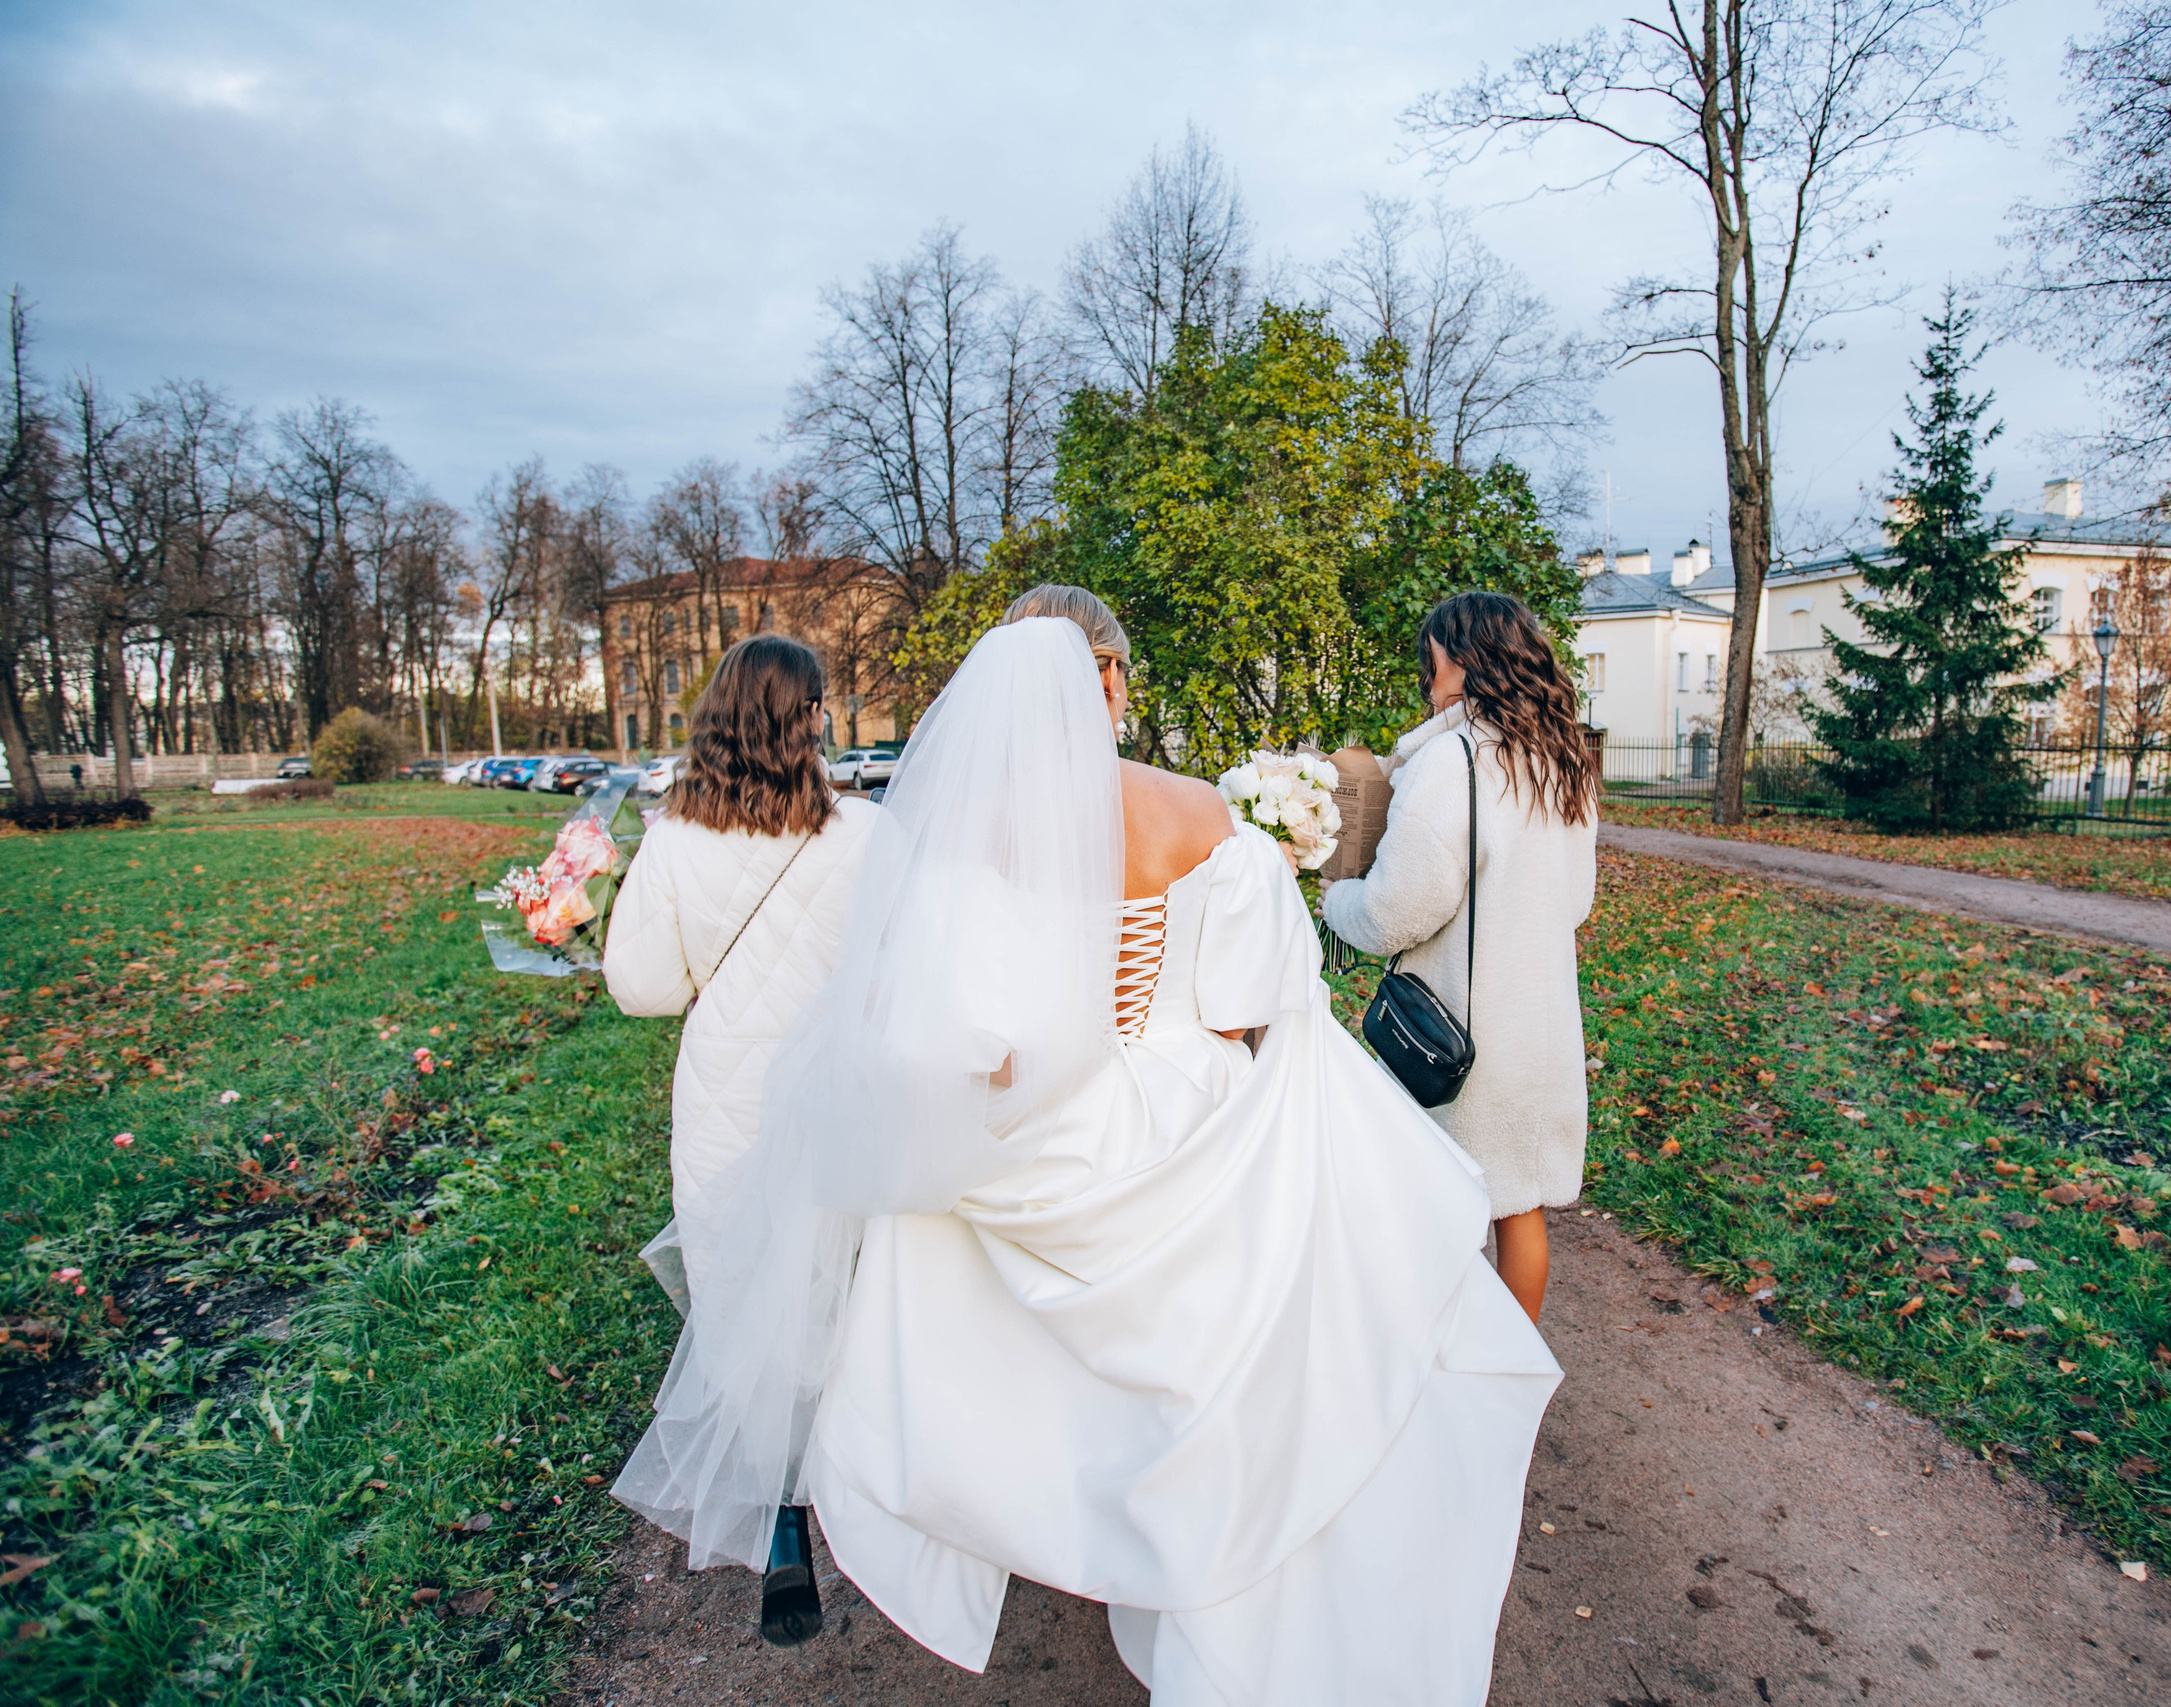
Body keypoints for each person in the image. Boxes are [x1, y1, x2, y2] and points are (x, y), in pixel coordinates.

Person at [613, 585, 1560, 1705]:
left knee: (996, 1312)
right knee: (1215, 1364)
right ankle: (1192, 1548)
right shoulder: (1202, 814)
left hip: (1046, 1129)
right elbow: (1245, 1005)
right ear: (1108, 681)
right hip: (1185, 1102)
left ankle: (1064, 1511)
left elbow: (965, 1036)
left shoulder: (967, 832)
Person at [601, 633, 879, 1643]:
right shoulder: (862, 836)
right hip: (836, 1087)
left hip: (726, 1087)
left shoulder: (674, 839)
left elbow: (641, 990)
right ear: (807, 720)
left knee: (736, 1292)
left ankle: (778, 1529)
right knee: (841, 1286)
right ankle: (869, 1491)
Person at [1321, 591, 1600, 1323]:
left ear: (1462, 659)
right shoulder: (1561, 761)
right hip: (1540, 1031)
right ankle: (1512, 1387)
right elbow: (1574, 900)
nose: (1428, 673)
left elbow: (1392, 911)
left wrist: (1333, 901)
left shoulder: (1452, 762)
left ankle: (1432, 1380)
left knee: (1423, 1207)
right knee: (1520, 1209)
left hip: (1462, 1035)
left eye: (1433, 657)